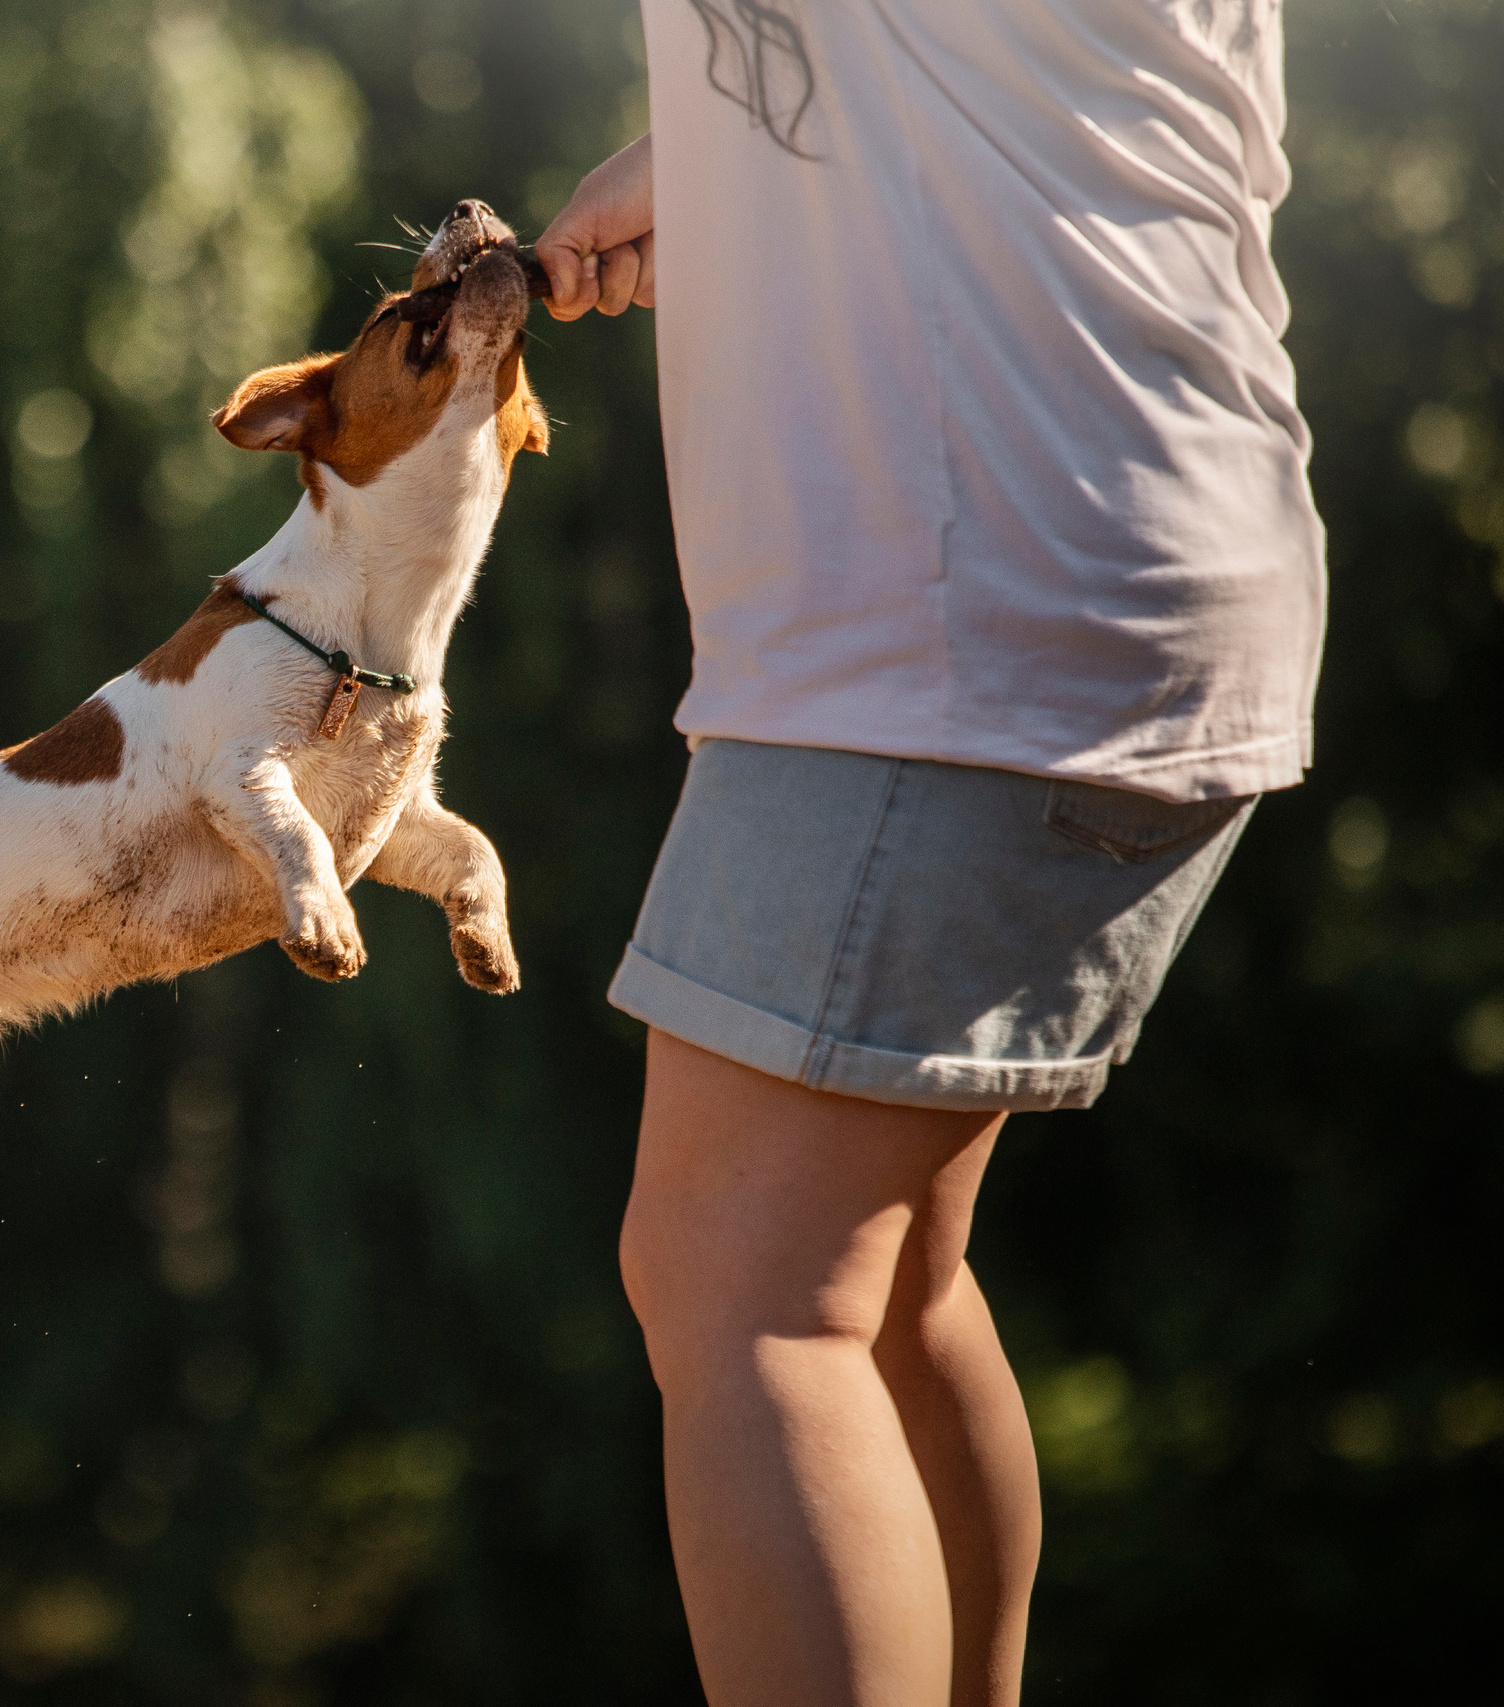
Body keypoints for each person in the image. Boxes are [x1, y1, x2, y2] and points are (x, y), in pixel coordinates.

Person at [533, 2, 1325, 1703]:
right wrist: (729, 150)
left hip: (962, 609)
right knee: (879, 1296)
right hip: (1107, 558)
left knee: (751, 1298)